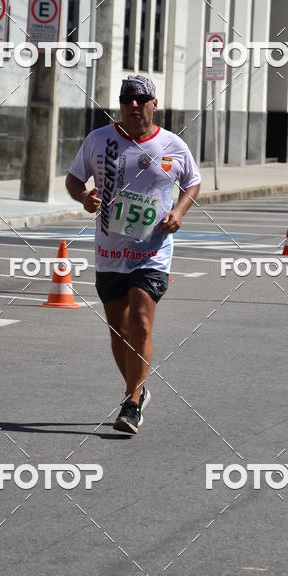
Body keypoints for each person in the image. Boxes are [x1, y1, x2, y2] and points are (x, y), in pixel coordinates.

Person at [66, 75, 201, 434]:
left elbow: (192, 182)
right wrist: (84, 197)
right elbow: (74, 179)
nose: (134, 105)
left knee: (141, 321)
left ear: (155, 104)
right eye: (127, 99)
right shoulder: (99, 140)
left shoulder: (172, 145)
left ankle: (131, 401)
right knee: (119, 330)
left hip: (152, 251)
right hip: (110, 251)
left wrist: (179, 213)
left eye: (141, 99)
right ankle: (138, 392)